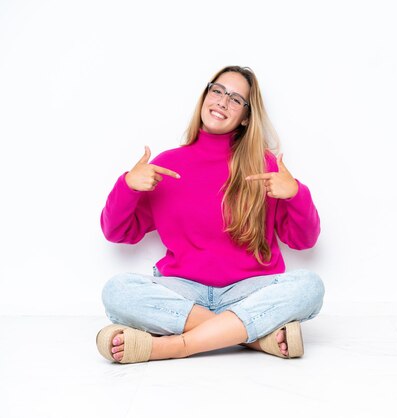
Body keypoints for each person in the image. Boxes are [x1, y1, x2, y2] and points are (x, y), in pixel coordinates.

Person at [96, 65, 324, 363]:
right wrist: (127, 186)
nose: (221, 101)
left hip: (248, 290)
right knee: (117, 291)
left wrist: (295, 193)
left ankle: (174, 346)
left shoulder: (265, 167)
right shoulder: (167, 165)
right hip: (183, 291)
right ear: (205, 95)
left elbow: (303, 241)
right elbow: (117, 233)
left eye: (235, 98)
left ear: (245, 117)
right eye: (217, 90)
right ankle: (252, 338)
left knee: (310, 287)